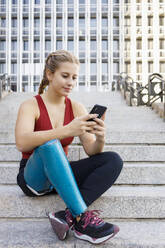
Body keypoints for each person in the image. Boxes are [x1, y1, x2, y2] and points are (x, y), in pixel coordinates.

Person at [15, 49, 123, 245]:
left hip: (61, 174)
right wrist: (66, 130)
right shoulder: (30, 105)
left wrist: (100, 137)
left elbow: (91, 150)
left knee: (112, 159)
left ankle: (66, 216)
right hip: (34, 178)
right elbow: (22, 142)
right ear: (49, 74)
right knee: (49, 145)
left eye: (74, 77)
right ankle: (82, 220)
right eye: (65, 76)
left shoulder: (76, 107)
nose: (71, 82)